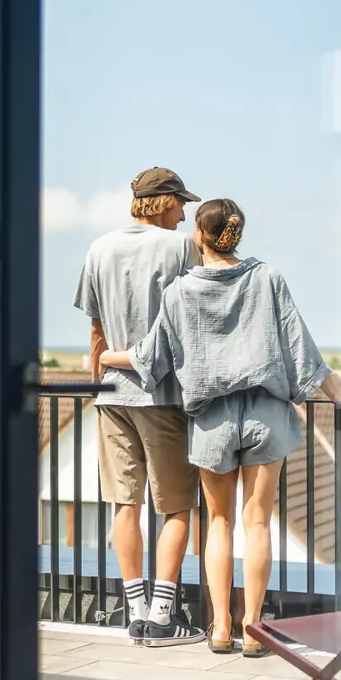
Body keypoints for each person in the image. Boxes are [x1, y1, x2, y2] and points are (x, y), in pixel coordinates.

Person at [99, 198, 341, 656]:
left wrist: (107, 357)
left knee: (219, 522)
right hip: (266, 416)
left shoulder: (181, 292)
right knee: (258, 522)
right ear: (236, 234)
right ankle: (255, 627)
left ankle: (221, 627)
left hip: (211, 420)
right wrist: (340, 393)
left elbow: (151, 357)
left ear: (199, 237)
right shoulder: (268, 279)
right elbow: (304, 352)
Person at [73, 167, 206, 647]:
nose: (186, 211)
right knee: (177, 506)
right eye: (180, 202)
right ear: (163, 201)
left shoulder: (99, 248)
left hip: (112, 393)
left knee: (123, 502)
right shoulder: (182, 248)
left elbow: (96, 332)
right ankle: (164, 616)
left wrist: (98, 388)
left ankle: (134, 611)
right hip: (163, 394)